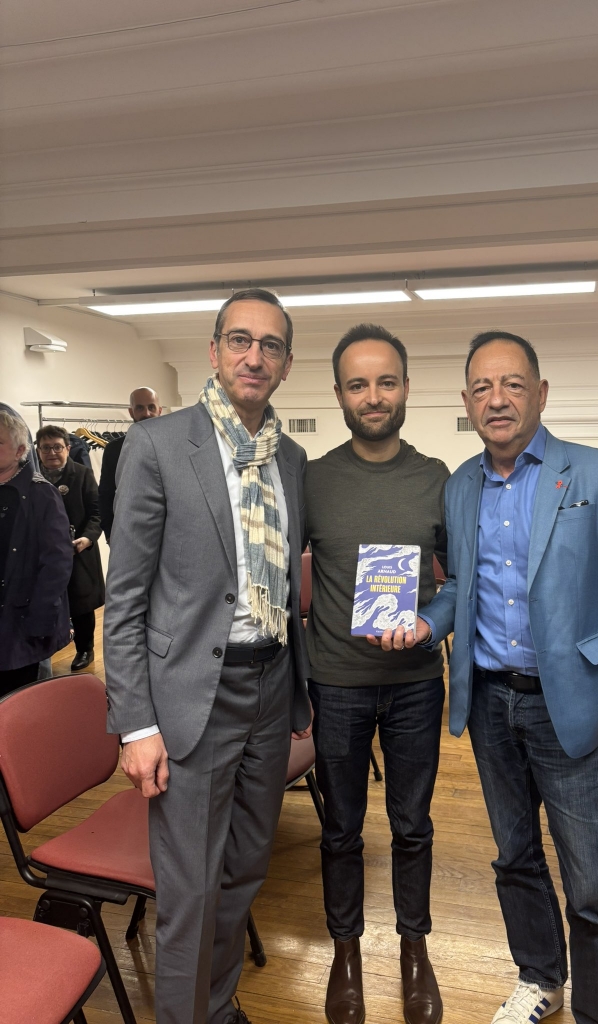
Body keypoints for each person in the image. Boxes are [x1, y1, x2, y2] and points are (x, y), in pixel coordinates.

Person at [376, 332, 598, 1024]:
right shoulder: (460, 486)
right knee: (514, 856)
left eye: (511, 384)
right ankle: (540, 978)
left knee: (590, 881)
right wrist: (425, 624)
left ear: (541, 394)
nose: (496, 399)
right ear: (467, 401)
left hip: (573, 707)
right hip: (489, 703)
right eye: (482, 387)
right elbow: (459, 587)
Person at [103, 288, 311, 1024]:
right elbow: (125, 599)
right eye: (241, 340)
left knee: (245, 872)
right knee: (190, 893)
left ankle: (216, 1008)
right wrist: (136, 725)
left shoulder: (291, 458)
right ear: (215, 350)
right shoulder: (159, 445)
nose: (255, 356)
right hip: (192, 697)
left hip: (270, 689)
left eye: (271, 345)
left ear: (286, 364)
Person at [304, 324, 449, 1024]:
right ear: (339, 394)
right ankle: (346, 952)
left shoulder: (437, 478)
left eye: (385, 382)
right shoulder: (312, 479)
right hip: (336, 684)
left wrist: (432, 622)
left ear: (406, 388)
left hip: (417, 682)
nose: (373, 396)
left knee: (412, 826)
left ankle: (415, 949)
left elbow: (461, 582)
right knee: (341, 830)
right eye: (357, 384)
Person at [0, 411, 72, 697]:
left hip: (21, 621)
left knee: (19, 701)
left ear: (20, 450)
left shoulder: (41, 493)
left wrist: (40, 620)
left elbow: (57, 563)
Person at [37, 425, 105, 672]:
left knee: (80, 603)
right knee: (47, 600)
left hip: (78, 551)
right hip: (43, 554)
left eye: (57, 447)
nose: (52, 453)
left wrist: (87, 538)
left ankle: (85, 649)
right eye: (46, 448)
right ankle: (48, 648)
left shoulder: (83, 474)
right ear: (38, 450)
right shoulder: (32, 477)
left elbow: (97, 513)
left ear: (67, 448)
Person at [98, 387, 162, 542]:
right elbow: (106, 494)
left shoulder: (174, 447)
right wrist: (109, 533)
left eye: (151, 407)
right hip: (126, 533)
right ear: (131, 412)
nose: (147, 413)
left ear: (159, 411)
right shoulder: (114, 450)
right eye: (140, 408)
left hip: (166, 534)